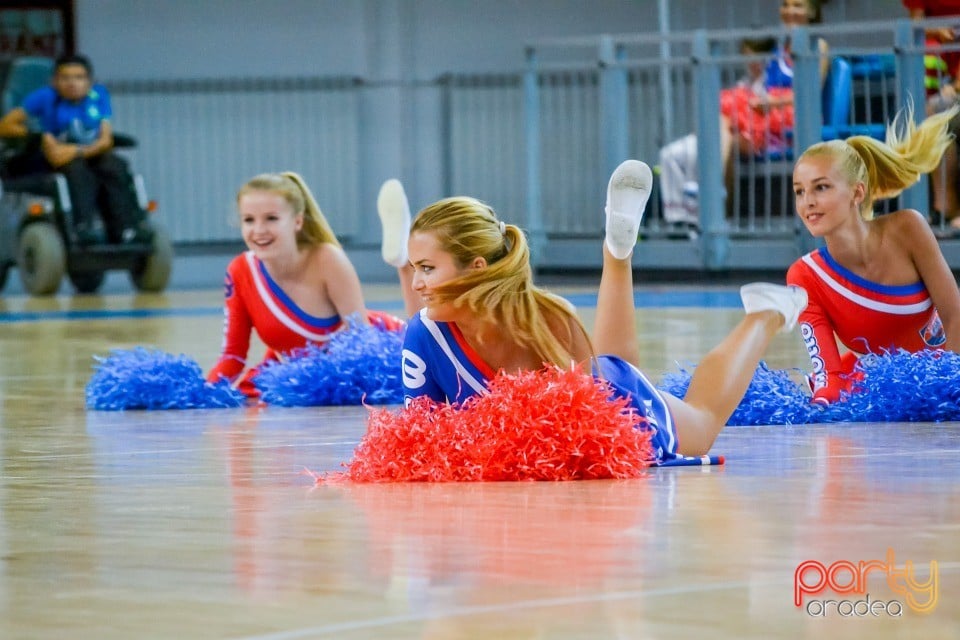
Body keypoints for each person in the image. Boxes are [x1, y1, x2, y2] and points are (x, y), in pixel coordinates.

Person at [380, 160, 808, 461]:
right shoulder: (423, 332)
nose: (417, 284)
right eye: (413, 268)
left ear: (475, 268)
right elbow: (425, 437)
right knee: (619, 368)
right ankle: (617, 255)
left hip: (606, 414)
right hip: (593, 397)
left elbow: (606, 416)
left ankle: (764, 315)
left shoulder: (545, 318)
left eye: (427, 269)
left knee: (702, 420)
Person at [786, 106, 960, 405]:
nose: (808, 203)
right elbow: (830, 377)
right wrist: (823, 404)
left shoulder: (908, 228)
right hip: (902, 399)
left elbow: (955, 314)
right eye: (799, 191)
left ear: (857, 193)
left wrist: (948, 386)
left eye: (821, 187)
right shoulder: (805, 276)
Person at [207, 171, 403, 397]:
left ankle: (403, 260)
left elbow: (362, 340)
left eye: (271, 218)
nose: (259, 230)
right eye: (249, 220)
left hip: (379, 351)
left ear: (297, 221)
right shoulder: (239, 271)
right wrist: (202, 394)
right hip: (295, 374)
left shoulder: (327, 258)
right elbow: (233, 356)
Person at [657, 0, 829, 232]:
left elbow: (810, 91)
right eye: (786, 5)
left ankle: (708, 196)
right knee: (726, 124)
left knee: (728, 114)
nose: (789, 11)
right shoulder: (781, 46)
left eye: (797, 5)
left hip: (793, 116)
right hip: (766, 111)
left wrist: (772, 103)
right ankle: (712, 199)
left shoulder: (818, 45)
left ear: (812, 12)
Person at [0, 53, 150, 245]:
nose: (72, 83)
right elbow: (5, 126)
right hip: (49, 159)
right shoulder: (44, 97)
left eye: (79, 78)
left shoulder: (98, 96)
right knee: (77, 169)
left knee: (115, 165)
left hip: (82, 152)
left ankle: (126, 229)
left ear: (89, 82)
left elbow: (105, 140)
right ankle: (83, 228)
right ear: (54, 81)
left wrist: (77, 151)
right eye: (65, 78)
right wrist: (33, 131)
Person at [903, 0, 960, 233]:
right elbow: (915, 26)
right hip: (947, 81)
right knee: (934, 110)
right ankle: (945, 210)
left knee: (940, 106)